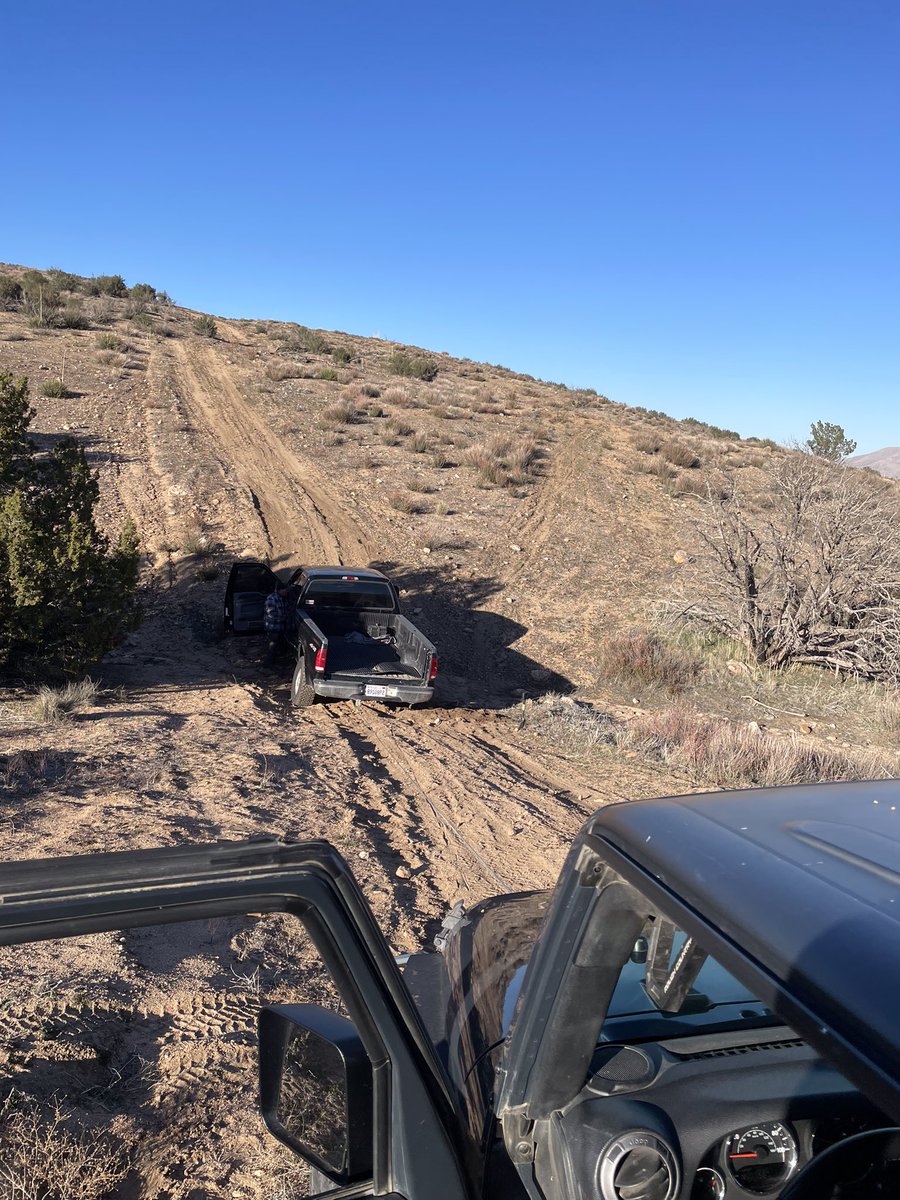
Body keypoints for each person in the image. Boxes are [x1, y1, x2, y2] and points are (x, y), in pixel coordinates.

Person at [262, 582, 289, 666]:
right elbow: (272, 616)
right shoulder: (271, 599)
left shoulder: (282, 598)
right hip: (273, 628)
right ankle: (267, 665)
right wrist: (285, 618)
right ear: (280, 590)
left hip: (280, 627)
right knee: (272, 647)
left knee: (279, 647)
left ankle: (275, 663)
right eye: (286, 590)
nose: (287, 592)